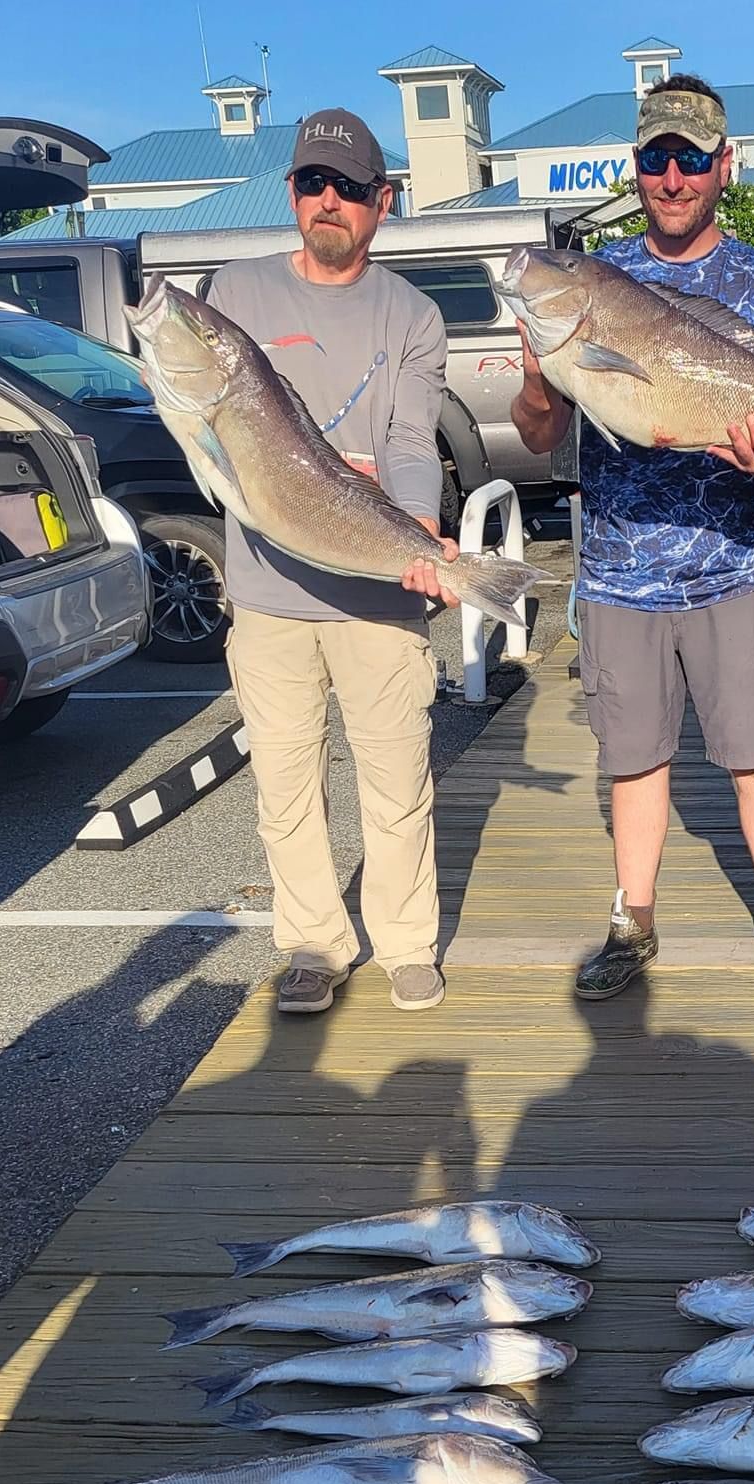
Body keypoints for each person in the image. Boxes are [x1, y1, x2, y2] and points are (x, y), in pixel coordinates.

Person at [510, 74, 754, 1005]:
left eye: (690, 158)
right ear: (636, 167)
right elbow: (541, 434)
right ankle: (633, 923)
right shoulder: (593, 280)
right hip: (618, 574)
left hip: (736, 568)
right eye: (656, 157)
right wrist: (541, 377)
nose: (672, 175)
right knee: (633, 760)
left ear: (722, 167)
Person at [206, 108, 455, 1017]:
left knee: (397, 780)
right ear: (292, 192)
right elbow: (208, 434)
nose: (329, 201)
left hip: (378, 596)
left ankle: (406, 943)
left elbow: (409, 441)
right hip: (267, 597)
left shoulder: (415, 316)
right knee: (286, 784)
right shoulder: (232, 296)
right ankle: (313, 940)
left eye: (350, 187)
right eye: (314, 182)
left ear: (381, 202)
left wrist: (419, 535)